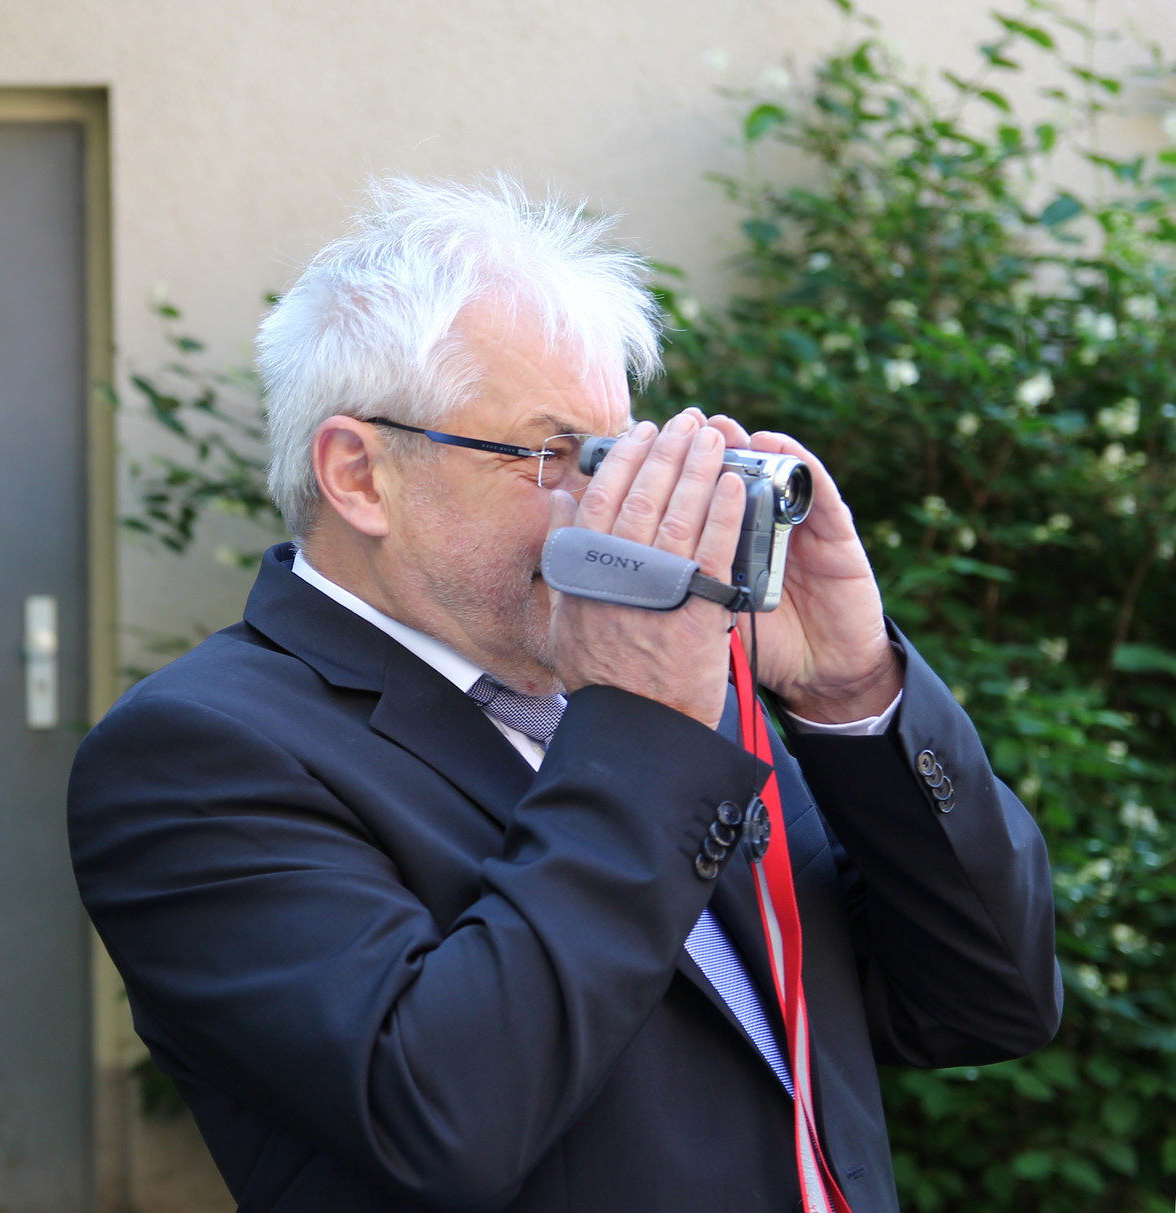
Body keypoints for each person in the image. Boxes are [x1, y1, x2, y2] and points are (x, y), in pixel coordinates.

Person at [69, 178, 1060, 1212]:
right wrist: (642, 729)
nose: (609, 508)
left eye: (615, 453)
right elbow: (436, 1117)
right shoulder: (197, 752)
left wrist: (851, 693)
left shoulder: (685, 701)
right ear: (360, 476)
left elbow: (983, 1003)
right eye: (554, 455)